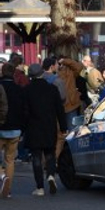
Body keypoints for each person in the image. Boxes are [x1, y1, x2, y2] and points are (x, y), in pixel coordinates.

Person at [23, 63, 66, 197]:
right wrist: (63, 127)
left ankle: (39, 187)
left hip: (33, 127)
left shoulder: (27, 90)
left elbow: (24, 112)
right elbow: (60, 110)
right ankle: (51, 175)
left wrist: (23, 128)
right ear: (42, 74)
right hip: (49, 126)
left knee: (36, 157)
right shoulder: (52, 89)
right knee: (50, 154)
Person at [0, 63, 20, 198]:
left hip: (1, 127)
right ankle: (8, 189)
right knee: (10, 159)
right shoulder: (19, 89)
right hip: (15, 128)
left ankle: (2, 176)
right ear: (14, 73)